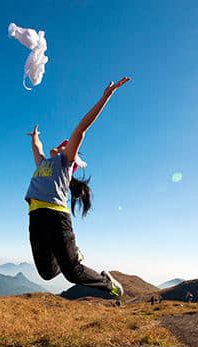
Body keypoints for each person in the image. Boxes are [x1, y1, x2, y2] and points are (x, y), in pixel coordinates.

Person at [25, 78, 131, 300]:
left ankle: (107, 283)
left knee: (72, 273)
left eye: (67, 145)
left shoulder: (64, 162)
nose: (64, 143)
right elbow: (37, 149)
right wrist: (35, 137)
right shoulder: (43, 164)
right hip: (35, 215)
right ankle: (70, 253)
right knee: (46, 273)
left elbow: (81, 128)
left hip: (55, 215)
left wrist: (106, 96)